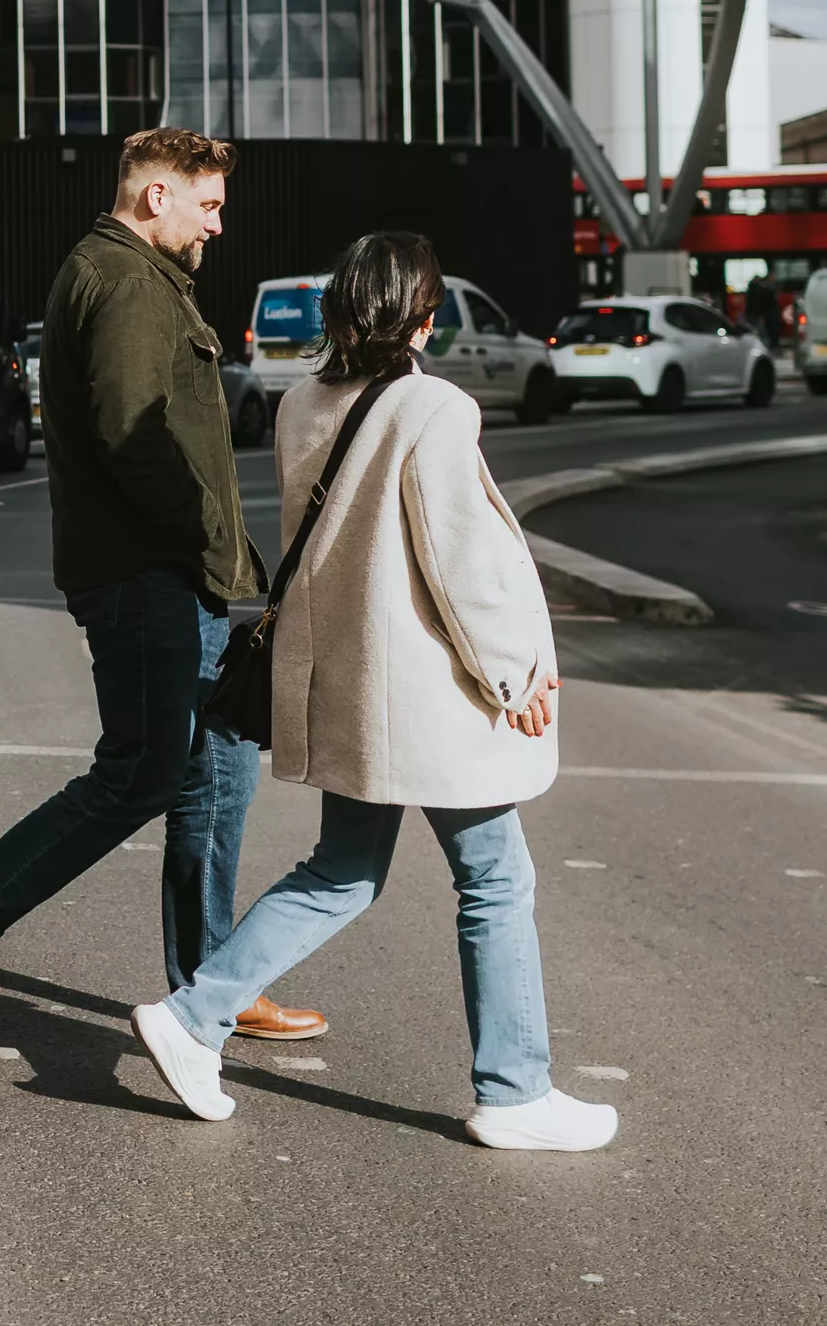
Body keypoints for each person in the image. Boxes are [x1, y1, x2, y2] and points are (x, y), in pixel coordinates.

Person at [130, 231, 611, 1152]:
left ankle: (195, 1019)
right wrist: (510, 678)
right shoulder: (432, 408)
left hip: (353, 685)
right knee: (497, 877)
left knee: (344, 871)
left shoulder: (302, 402)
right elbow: (458, 564)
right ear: (425, 317)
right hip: (431, 695)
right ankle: (515, 1092)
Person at [0, 128, 323, 1048]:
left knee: (220, 772)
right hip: (147, 574)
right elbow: (137, 441)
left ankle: (211, 985)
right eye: (207, 205)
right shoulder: (128, 282)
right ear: (154, 198)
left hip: (170, 571)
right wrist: (213, 544)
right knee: (143, 773)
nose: (219, 226)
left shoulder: (131, 273)